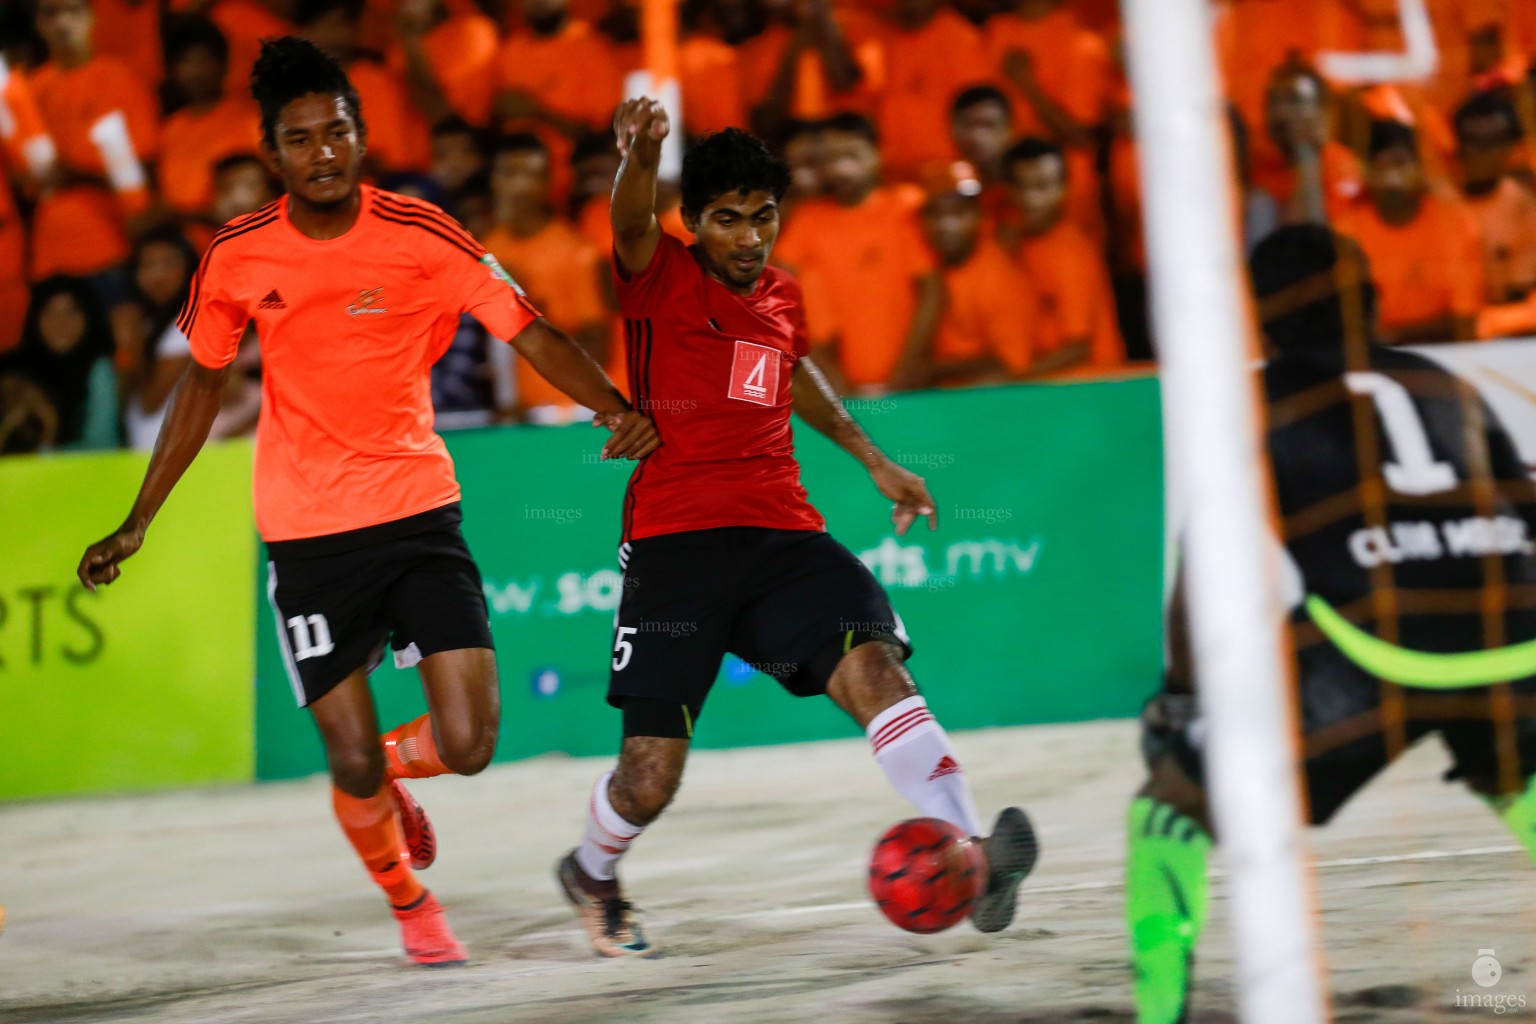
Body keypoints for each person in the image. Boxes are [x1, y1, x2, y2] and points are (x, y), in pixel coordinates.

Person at [75, 37, 658, 968]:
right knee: (342, 763)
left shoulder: (421, 233)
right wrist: (141, 516)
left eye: (336, 131)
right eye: (300, 139)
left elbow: (530, 328)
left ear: (362, 133)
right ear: (274, 156)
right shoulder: (237, 254)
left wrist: (614, 408)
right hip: (308, 535)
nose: (322, 152)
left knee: (468, 743)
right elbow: (200, 388)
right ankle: (412, 906)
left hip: (418, 510)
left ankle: (396, 768)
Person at [553, 99, 1038, 959]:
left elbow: (791, 368)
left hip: (784, 538)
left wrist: (870, 456)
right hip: (676, 544)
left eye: (763, 217)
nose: (748, 237)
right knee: (650, 777)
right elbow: (629, 215)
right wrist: (642, 154)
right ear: (693, 222)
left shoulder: (781, 296)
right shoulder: (658, 273)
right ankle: (592, 868)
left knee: (876, 669)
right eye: (727, 219)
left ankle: (970, 853)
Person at [1126, 224, 1536, 1024]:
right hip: (1514, 638)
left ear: (1263, 322)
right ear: (1375, 301)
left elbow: (1206, 571)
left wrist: (1180, 698)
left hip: (1368, 655)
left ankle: (1160, 1010)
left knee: (1169, 807)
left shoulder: (1257, 404)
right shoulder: (1446, 383)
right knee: (1517, 773)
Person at [773, 112, 942, 394]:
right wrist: (829, 377)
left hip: (908, 385)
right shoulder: (807, 220)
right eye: (829, 159)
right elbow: (780, 301)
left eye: (851, 156)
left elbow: (932, 291)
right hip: (841, 390)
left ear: (878, 154)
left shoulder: (904, 208)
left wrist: (909, 366)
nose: (840, 169)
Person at [28, 0, 159, 300]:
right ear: (38, 24)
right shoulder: (30, 90)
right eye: (50, 13)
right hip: (49, 252)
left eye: (72, 11)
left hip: (110, 245)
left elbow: (146, 169)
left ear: (92, 17)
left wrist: (76, 174)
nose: (62, 23)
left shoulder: (121, 79)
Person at [482, 133, 611, 423]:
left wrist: (528, 306)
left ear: (548, 183)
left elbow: (598, 351)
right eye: (508, 173)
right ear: (493, 179)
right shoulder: (488, 245)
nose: (517, 186)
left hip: (567, 412)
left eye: (530, 175)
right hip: (512, 415)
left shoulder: (575, 251)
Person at [1334, 119, 1485, 344]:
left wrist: (1395, 335)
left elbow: (1466, 319)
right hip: (1372, 359)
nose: (1391, 176)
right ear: (1364, 170)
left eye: (1400, 163)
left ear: (1419, 166)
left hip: (1444, 355)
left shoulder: (1455, 223)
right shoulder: (1345, 229)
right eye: (1379, 165)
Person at [1002, 137, 1123, 375]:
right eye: (1022, 186)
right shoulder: (1013, 240)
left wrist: (1009, 380)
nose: (1032, 198)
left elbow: (1077, 348)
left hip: (1088, 388)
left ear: (1065, 187)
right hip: (1048, 386)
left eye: (1043, 186)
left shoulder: (1071, 251)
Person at [917, 166, 1032, 385]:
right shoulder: (926, 263)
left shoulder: (998, 273)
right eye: (936, 214)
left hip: (981, 401)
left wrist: (934, 370)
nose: (947, 225)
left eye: (959, 213)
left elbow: (1011, 361)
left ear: (979, 215)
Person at [158, 16, 261, 228]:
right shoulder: (172, 127)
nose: (196, 71)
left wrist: (180, 215)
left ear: (223, 64)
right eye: (186, 61)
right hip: (182, 250)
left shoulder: (249, 121)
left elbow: (258, 201)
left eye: (205, 59)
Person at [1452, 90, 1536, 340]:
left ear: (1511, 148)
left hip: (1493, 335)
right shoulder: (1434, 199)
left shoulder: (1523, 209)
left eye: (1494, 142)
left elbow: (1519, 296)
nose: (1482, 152)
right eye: (1472, 141)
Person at [2, 275, 119, 451]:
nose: (61, 322)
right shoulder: (11, 368)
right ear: (35, 319)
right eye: (49, 312)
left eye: (71, 311)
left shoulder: (99, 369)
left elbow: (102, 443)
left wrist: (46, 440)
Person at [875, 0, 986, 181]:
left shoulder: (960, 39)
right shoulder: (881, 34)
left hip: (946, 176)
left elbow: (976, 114)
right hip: (890, 177)